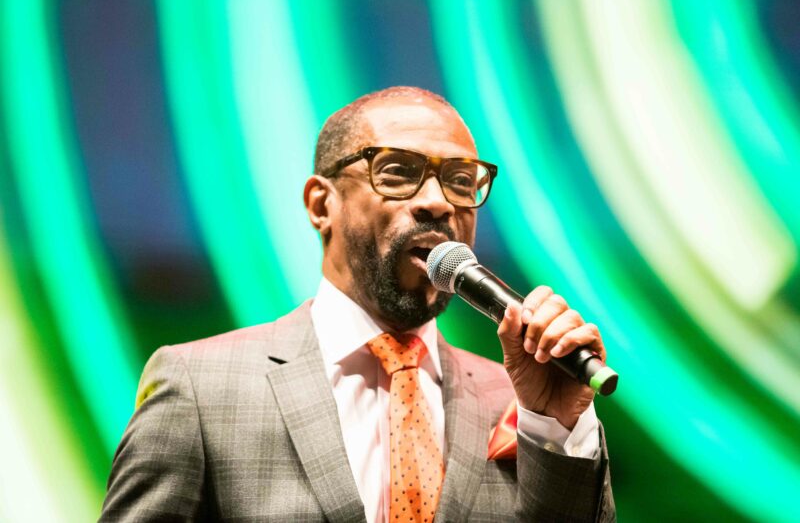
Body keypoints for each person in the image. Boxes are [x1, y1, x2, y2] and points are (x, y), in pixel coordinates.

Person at [100, 86, 615, 522]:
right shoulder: (200, 389)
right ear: (321, 204)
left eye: (461, 181)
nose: (437, 202)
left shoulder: (523, 402)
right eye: (397, 172)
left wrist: (554, 426)